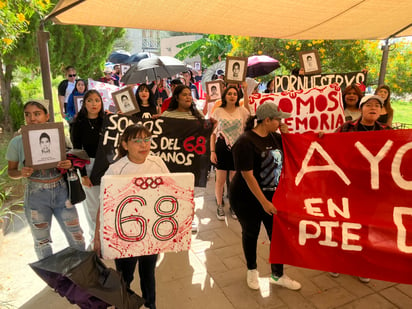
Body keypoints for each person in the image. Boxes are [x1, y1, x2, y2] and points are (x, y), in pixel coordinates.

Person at [94, 124, 169, 309]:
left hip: (151, 232)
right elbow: (104, 205)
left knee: (148, 273)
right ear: (125, 145)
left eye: (147, 139)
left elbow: (171, 190)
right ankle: (124, 304)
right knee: (125, 276)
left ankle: (150, 305)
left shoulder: (158, 163)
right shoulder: (115, 169)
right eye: (137, 140)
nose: (143, 145)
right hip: (124, 236)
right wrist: (98, 237)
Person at [229, 101, 301, 291]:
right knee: (251, 233)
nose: (281, 122)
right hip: (246, 197)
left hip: (272, 196)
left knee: (276, 236)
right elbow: (247, 175)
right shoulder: (245, 141)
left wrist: (285, 133)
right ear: (267, 120)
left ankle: (278, 275)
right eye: (278, 120)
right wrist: (264, 202)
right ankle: (251, 270)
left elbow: (295, 151)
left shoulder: (276, 137)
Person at [6, 100, 85, 260]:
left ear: (47, 116)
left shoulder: (59, 136)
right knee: (42, 242)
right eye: (27, 115)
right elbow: (11, 172)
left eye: (37, 114)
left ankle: (80, 275)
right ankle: (53, 280)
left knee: (76, 235)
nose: (32, 118)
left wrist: (69, 163)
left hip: (61, 191)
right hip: (36, 197)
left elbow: (73, 159)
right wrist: (21, 172)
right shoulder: (17, 142)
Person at [330, 95, 391, 283]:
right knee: (344, 222)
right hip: (348, 185)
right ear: (361, 108)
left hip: (372, 187)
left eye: (377, 105)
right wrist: (322, 137)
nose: (373, 108)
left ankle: (361, 263)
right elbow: (330, 146)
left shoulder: (387, 131)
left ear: (381, 111)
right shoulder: (347, 128)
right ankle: (338, 261)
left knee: (366, 225)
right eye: (369, 105)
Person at [162, 85, 206, 233]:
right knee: (172, 191)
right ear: (177, 97)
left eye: (190, 94)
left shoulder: (197, 114)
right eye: (184, 95)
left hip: (190, 161)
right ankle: (173, 218)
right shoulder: (168, 115)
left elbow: (203, 135)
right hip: (172, 160)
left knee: (188, 192)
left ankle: (189, 219)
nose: (188, 97)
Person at [70, 90, 105, 248]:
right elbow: (77, 150)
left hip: (107, 165)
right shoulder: (78, 124)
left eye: (97, 100)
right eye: (90, 100)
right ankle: (94, 240)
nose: (94, 104)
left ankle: (107, 238)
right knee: (92, 206)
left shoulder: (107, 121)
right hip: (87, 165)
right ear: (84, 103)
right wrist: (83, 174)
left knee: (107, 204)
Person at [210, 85, 250, 220]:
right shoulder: (218, 112)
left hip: (237, 148)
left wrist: (245, 91)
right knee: (220, 180)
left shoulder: (242, 110)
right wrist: (212, 151)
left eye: (235, 94)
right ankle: (220, 205)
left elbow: (249, 118)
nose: (232, 96)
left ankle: (233, 205)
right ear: (225, 96)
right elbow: (212, 134)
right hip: (221, 148)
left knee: (234, 180)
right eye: (229, 93)